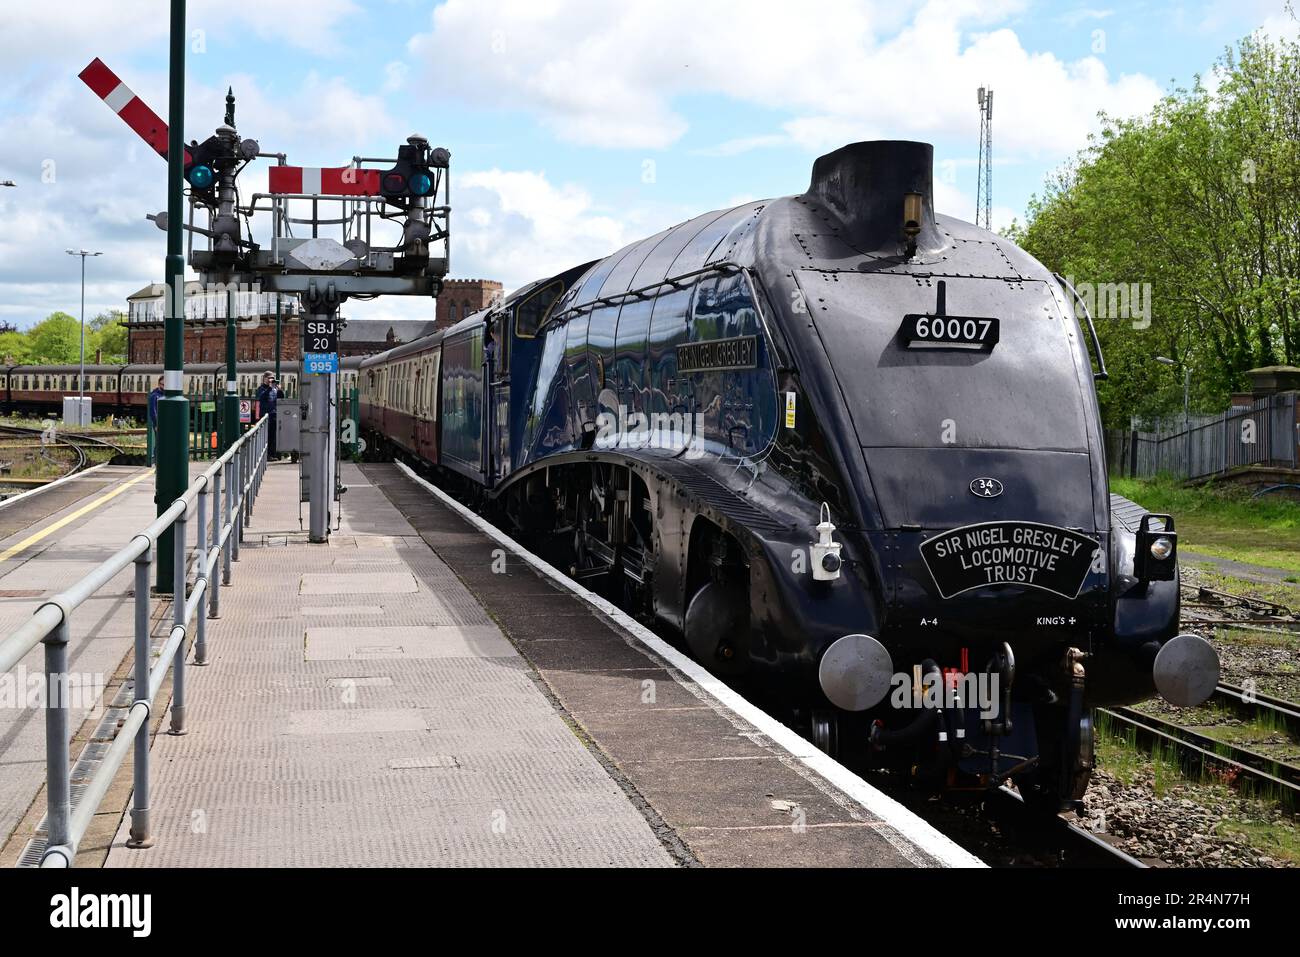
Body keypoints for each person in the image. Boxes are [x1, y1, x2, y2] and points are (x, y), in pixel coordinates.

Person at [255, 372, 284, 460]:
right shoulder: (261, 388)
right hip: (265, 415)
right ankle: (265, 455)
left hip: (274, 414)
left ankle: (272, 454)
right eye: (269, 378)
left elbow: (281, 398)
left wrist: (280, 390)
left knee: (273, 436)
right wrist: (270, 388)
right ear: (264, 378)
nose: (271, 380)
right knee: (266, 436)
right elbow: (261, 397)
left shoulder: (275, 389)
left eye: (272, 378)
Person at [147, 376, 164, 466]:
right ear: (159, 384)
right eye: (162, 384)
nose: (164, 386)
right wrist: (156, 424)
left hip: (165, 423)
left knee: (164, 442)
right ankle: (158, 464)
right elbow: (153, 412)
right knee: (159, 443)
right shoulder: (155, 395)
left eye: (166, 384)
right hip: (159, 423)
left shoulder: (165, 395)